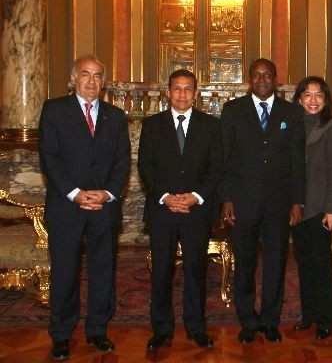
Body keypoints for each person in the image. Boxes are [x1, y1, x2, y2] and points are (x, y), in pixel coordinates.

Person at [39, 54, 131, 360]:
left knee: (103, 270)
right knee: (65, 271)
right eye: (85, 75)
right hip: (67, 207)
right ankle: (62, 333)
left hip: (104, 207)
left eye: (97, 76)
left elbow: (122, 163)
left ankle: (97, 330)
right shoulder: (54, 110)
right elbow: (49, 158)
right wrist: (76, 193)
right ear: (73, 79)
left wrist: (107, 194)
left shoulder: (116, 117)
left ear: (103, 84)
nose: (91, 81)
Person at [220, 58, 306, 344]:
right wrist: (227, 198)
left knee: (276, 262)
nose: (261, 79)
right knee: (243, 261)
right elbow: (225, 159)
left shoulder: (291, 113)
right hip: (243, 201)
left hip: (279, 203)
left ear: (276, 78)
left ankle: (270, 319)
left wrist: (297, 201)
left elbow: (297, 161)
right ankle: (247, 319)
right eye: (256, 75)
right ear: (249, 79)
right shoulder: (233, 110)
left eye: (267, 74)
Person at [138, 69, 222, 350]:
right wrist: (165, 197)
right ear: (167, 92)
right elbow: (145, 166)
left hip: (196, 210)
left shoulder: (210, 126)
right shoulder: (152, 125)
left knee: (195, 270)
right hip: (163, 210)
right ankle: (161, 329)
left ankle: (196, 327)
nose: (183, 94)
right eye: (177, 89)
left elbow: (215, 168)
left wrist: (195, 196)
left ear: (196, 94)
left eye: (188, 89)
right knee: (161, 270)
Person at [291, 76, 332, 340]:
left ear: (326, 100)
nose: (313, 101)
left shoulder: (331, 127)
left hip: (321, 207)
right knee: (304, 265)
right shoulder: (291, 125)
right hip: (297, 208)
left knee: (321, 265)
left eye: (318, 95)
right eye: (307, 95)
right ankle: (308, 314)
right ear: (299, 98)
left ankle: (326, 319)